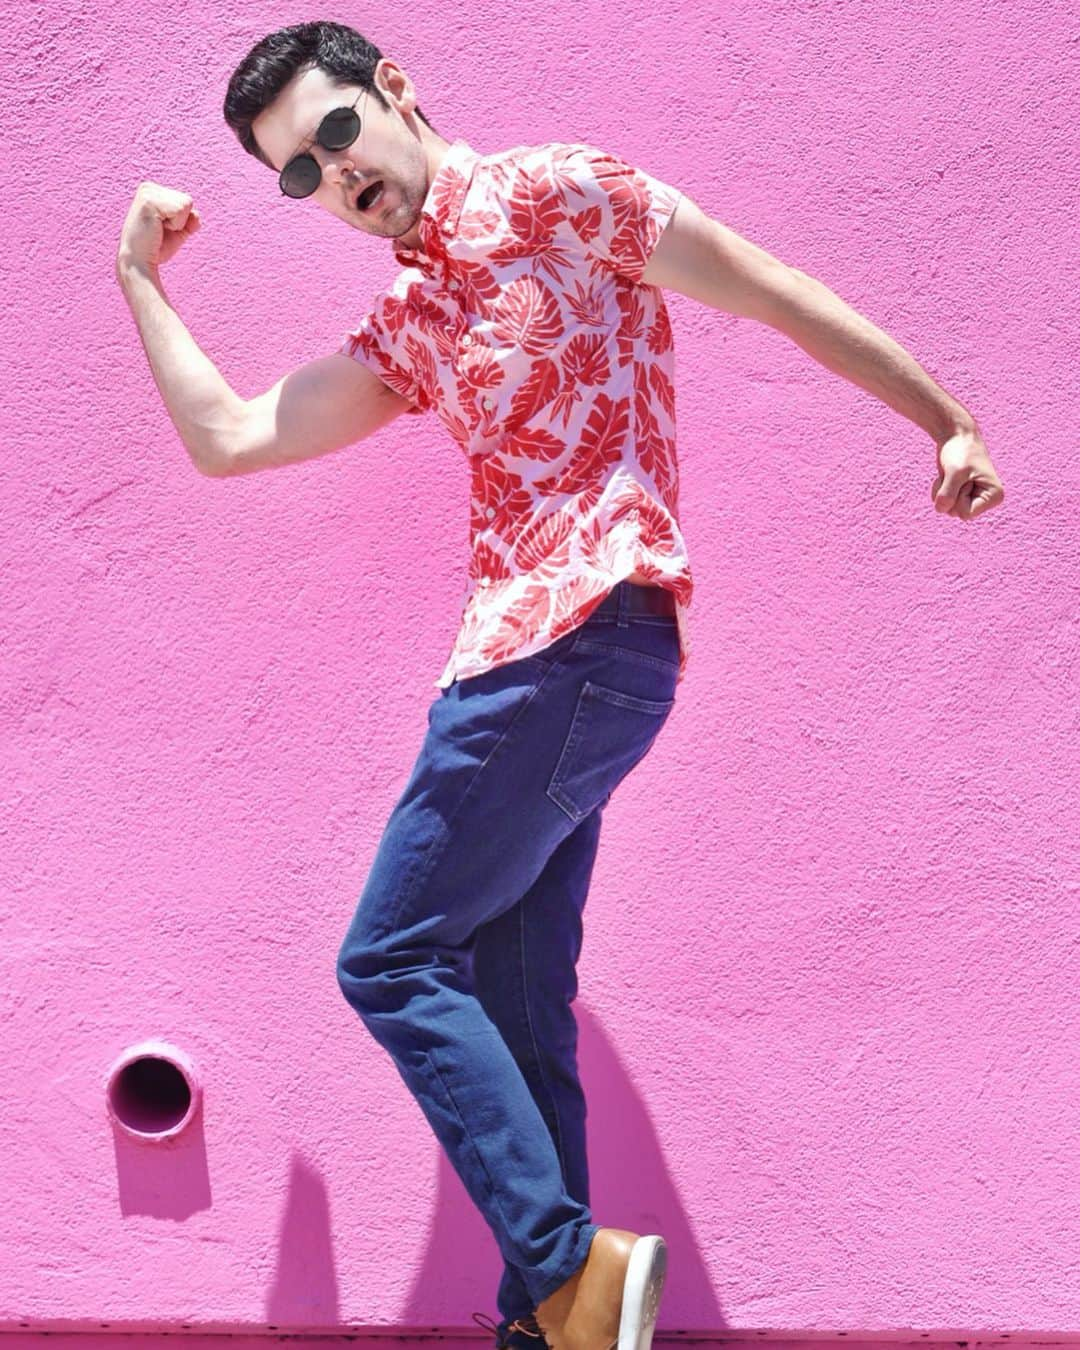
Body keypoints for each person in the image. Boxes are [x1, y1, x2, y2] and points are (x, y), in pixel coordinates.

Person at [115, 22, 1004, 1349]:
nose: (336, 177)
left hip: (575, 639)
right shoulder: (417, 317)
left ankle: (564, 1270)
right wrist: (139, 276)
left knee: (392, 954)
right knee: (520, 993)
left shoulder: (558, 192)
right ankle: (554, 1321)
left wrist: (944, 418)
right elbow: (233, 436)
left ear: (395, 96)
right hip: (541, 660)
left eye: (339, 133)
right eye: (298, 175)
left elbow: (768, 289)